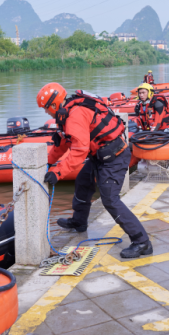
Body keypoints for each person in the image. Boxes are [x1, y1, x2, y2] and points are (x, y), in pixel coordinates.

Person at [37, 83, 152, 258]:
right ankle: (79, 222)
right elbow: (63, 144)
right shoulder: (67, 113)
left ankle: (142, 242)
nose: (47, 113)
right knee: (84, 180)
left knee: (110, 199)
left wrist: (57, 172)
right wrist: (47, 164)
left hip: (115, 156)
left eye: (46, 109)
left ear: (54, 105)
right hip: (100, 155)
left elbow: (79, 151)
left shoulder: (75, 115)